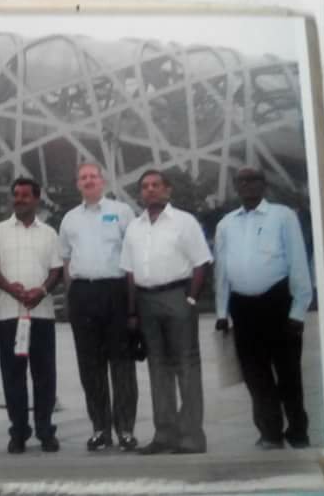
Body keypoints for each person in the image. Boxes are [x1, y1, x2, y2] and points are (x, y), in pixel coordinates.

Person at [214, 167, 313, 449]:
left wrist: (298, 311)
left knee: (288, 372)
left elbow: (297, 262)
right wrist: (221, 313)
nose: (247, 185)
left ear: (263, 184)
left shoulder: (282, 216)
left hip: (278, 302)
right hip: (242, 307)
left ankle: (298, 431)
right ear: (235, 187)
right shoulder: (226, 224)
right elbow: (222, 272)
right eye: (241, 181)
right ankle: (270, 432)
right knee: (255, 374)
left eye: (253, 180)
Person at [120, 169, 212, 455]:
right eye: (145, 186)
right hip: (146, 301)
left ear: (167, 190)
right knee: (157, 368)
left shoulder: (184, 222)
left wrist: (191, 300)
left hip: (177, 296)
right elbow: (130, 272)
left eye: (156, 185)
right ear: (140, 193)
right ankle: (164, 434)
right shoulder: (134, 227)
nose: (150, 190)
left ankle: (192, 437)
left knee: (186, 366)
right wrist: (132, 312)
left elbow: (201, 263)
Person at [58, 163, 138, 452]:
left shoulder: (122, 212)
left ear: (102, 181)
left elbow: (132, 258)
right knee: (90, 365)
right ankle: (100, 429)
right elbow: (67, 262)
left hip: (115, 292)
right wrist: (71, 299)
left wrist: (132, 306)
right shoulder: (69, 219)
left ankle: (125, 429)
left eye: (93, 176)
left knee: (122, 364)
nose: (88, 180)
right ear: (77, 184)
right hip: (83, 293)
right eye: (83, 177)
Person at [0, 178, 63, 454]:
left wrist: (42, 290)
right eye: (15, 195)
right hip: (9, 314)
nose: (19, 199)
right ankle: (18, 432)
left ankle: (45, 431)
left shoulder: (49, 233)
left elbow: (56, 270)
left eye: (25, 195)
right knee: (13, 376)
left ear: (36, 199)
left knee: (44, 376)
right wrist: (10, 288)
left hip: (41, 314)